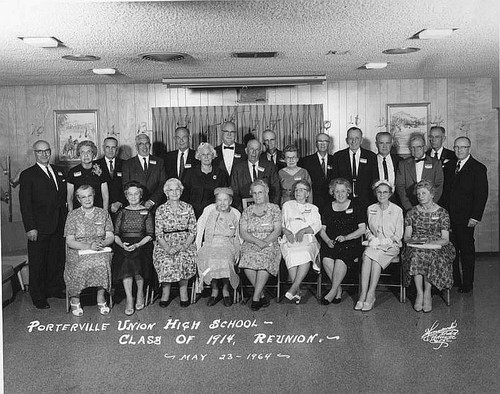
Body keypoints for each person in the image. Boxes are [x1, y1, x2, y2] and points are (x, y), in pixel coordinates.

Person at [19, 140, 67, 309]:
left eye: (46, 151)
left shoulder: (59, 171)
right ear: (35, 153)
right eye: (40, 151)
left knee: (56, 259)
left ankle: (54, 288)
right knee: (38, 262)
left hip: (59, 224)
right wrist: (30, 227)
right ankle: (38, 296)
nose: (44, 154)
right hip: (38, 227)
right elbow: (25, 204)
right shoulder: (28, 175)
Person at [402, 180, 456, 312]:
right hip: (416, 245)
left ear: (432, 194)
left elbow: (445, 239)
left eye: (423, 193)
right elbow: (406, 237)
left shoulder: (442, 213)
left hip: (438, 246)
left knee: (431, 256)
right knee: (415, 255)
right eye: (418, 193)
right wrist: (416, 242)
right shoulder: (411, 212)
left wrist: (430, 243)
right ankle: (419, 293)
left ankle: (427, 293)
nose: (420, 196)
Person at [64, 185, 114, 316]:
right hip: (78, 250)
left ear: (94, 196)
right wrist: (88, 246)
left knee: (103, 262)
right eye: (83, 197)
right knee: (79, 266)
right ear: (78, 199)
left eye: (89, 196)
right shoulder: (72, 215)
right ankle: (75, 299)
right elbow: (69, 241)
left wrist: (101, 243)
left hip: (99, 249)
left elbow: (110, 236)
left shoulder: (103, 213)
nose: (87, 199)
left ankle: (101, 297)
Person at [356, 180, 403, 312]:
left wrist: (384, 242)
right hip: (374, 244)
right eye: (379, 192)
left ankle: (370, 295)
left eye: (385, 192)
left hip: (391, 246)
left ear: (390, 194)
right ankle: (363, 294)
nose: (382, 195)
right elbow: (367, 230)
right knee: (366, 256)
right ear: (375, 193)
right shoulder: (371, 208)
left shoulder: (397, 210)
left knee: (374, 257)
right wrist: (372, 239)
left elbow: (398, 234)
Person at [448, 137, 488, 293]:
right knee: (452, 250)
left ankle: (468, 283)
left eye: (463, 147)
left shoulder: (478, 168)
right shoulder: (451, 165)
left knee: (466, 251)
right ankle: (456, 280)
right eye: (456, 147)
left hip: (466, 218)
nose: (459, 150)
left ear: (469, 149)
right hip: (451, 217)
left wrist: (475, 217)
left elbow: (481, 195)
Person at [319, 178, 366, 304]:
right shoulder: (327, 207)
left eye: (343, 191)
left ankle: (332, 292)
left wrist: (346, 237)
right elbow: (322, 229)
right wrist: (328, 240)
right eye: (337, 191)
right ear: (332, 193)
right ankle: (338, 289)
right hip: (332, 241)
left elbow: (362, 229)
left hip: (350, 242)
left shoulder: (356, 206)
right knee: (326, 259)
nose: (340, 194)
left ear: (348, 192)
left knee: (340, 259)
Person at [153, 178, 197, 308]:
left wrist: (183, 246)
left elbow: (193, 231)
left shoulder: (188, 207)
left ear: (181, 191)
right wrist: (167, 248)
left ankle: (184, 292)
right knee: (166, 260)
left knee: (183, 258)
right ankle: (165, 293)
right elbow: (158, 233)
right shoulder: (160, 209)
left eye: (177, 189)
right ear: (166, 193)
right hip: (165, 243)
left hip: (185, 242)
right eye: (170, 190)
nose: (174, 192)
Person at [239, 180, 282, 311]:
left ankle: (256, 297)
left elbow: (277, 230)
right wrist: (257, 242)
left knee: (265, 259)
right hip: (251, 241)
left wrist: (264, 243)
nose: (257, 196)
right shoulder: (247, 210)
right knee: (246, 260)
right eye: (255, 193)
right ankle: (261, 294)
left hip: (270, 242)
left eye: (260, 193)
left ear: (266, 192)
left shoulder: (274, 208)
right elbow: (243, 232)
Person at [112, 181, 154, 315]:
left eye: (136, 194)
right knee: (126, 259)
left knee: (137, 258)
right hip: (124, 244)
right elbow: (116, 235)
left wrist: (138, 244)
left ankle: (140, 292)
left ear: (140, 195)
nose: (133, 197)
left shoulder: (146, 211)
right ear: (126, 196)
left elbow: (150, 235)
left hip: (142, 243)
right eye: (130, 194)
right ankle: (130, 298)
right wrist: (122, 245)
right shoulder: (122, 212)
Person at [195, 187, 241, 307]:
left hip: (227, 243)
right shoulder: (210, 212)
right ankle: (214, 291)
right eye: (219, 200)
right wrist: (202, 247)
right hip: (211, 242)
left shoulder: (235, 214)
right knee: (209, 259)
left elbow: (237, 235)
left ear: (230, 201)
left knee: (225, 260)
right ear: (215, 201)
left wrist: (237, 250)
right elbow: (203, 231)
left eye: (225, 200)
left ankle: (226, 291)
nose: (222, 203)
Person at [280, 180, 321, 304]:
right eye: (297, 190)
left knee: (305, 253)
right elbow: (280, 224)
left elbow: (317, 225)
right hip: (290, 238)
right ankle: (296, 290)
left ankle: (294, 288)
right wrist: (286, 232)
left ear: (307, 193)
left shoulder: (313, 208)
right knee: (291, 254)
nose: (298, 192)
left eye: (302, 190)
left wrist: (303, 231)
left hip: (308, 239)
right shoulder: (287, 205)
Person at [331, 127, 377, 211]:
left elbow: (374, 179)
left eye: (357, 138)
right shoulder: (338, 156)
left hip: (366, 200)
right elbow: (335, 179)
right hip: (344, 201)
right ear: (346, 140)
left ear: (361, 140)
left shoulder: (371, 156)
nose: (354, 141)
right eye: (351, 138)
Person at [396, 134, 443, 212]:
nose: (415, 150)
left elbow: (438, 185)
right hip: (410, 207)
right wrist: (409, 207)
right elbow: (400, 187)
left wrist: (430, 205)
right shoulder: (403, 164)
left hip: (430, 208)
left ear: (424, 148)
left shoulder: (436, 163)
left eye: (418, 147)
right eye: (413, 147)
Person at [181, 142, 229, 218]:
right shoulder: (190, 173)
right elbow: (184, 196)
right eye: (203, 154)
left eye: (209, 154)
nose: (206, 157)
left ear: (213, 156)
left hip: (215, 213)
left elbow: (225, 195)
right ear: (199, 157)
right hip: (194, 214)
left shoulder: (221, 174)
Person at [230, 139, 280, 211]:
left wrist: (271, 209)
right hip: (244, 210)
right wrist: (242, 211)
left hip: (267, 210)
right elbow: (234, 192)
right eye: (251, 149)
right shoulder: (238, 168)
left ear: (260, 152)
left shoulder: (269, 166)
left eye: (257, 150)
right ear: (246, 151)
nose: (254, 153)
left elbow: (276, 190)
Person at [122, 133, 166, 210]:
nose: (144, 147)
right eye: (141, 144)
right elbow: (126, 185)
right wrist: (140, 202)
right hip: (135, 205)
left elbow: (163, 183)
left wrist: (152, 201)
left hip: (155, 206)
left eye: (147, 143)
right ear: (136, 147)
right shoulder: (128, 164)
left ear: (150, 145)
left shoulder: (159, 162)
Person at [67, 140, 109, 211]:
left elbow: (105, 196)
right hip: (78, 212)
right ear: (79, 154)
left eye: (89, 152)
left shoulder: (101, 171)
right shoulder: (72, 172)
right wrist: (71, 215)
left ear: (93, 154)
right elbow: (70, 197)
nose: (86, 155)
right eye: (82, 152)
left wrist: (105, 213)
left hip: (97, 210)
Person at [298, 133, 334, 210]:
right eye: (320, 141)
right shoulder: (306, 161)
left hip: (332, 200)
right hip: (313, 200)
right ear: (316, 144)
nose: (322, 144)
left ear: (329, 143)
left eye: (325, 141)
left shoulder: (335, 160)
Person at [426, 126, 457, 209]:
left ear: (444, 139)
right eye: (431, 137)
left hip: (448, 202)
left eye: (437, 137)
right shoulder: (424, 156)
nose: (433, 140)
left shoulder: (453, 156)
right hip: (428, 201)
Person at [95, 137, 126, 217]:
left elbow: (127, 185)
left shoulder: (125, 164)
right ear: (103, 148)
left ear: (117, 149)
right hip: (100, 208)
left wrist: (119, 202)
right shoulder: (95, 165)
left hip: (120, 208)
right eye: (107, 147)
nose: (110, 150)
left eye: (113, 147)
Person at [374, 132, 401, 205]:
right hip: (376, 202)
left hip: (397, 202)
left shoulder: (400, 161)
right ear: (376, 144)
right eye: (381, 143)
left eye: (387, 143)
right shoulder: (371, 161)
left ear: (392, 143)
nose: (384, 146)